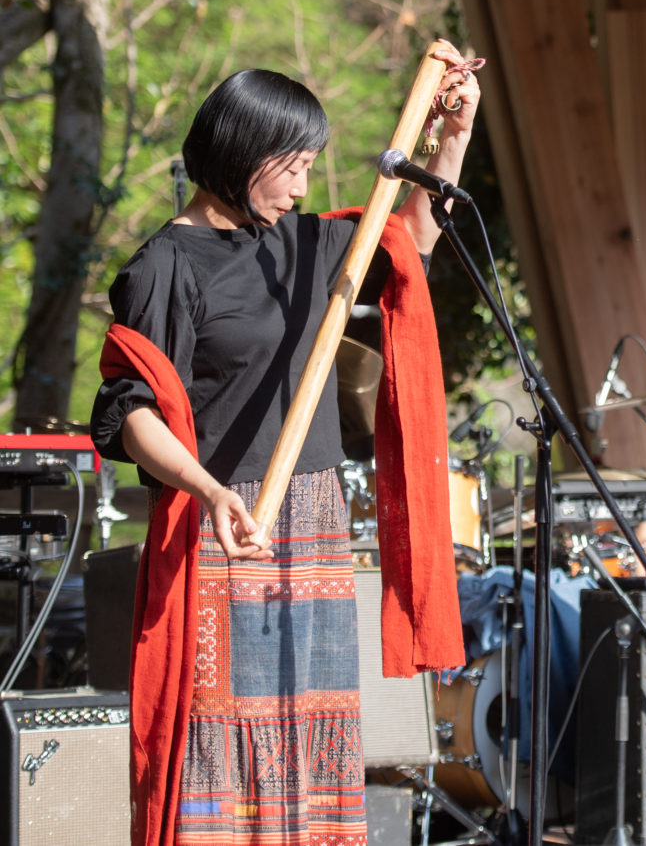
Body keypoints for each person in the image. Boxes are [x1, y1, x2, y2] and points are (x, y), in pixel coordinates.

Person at [91, 43, 479, 845]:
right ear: (244, 153)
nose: (304, 186)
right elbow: (132, 411)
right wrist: (207, 489)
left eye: (309, 167)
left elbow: (414, 239)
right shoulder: (164, 265)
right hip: (223, 523)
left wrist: (454, 135)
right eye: (293, 166)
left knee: (313, 727)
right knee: (222, 739)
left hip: (314, 518)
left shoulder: (306, 246)